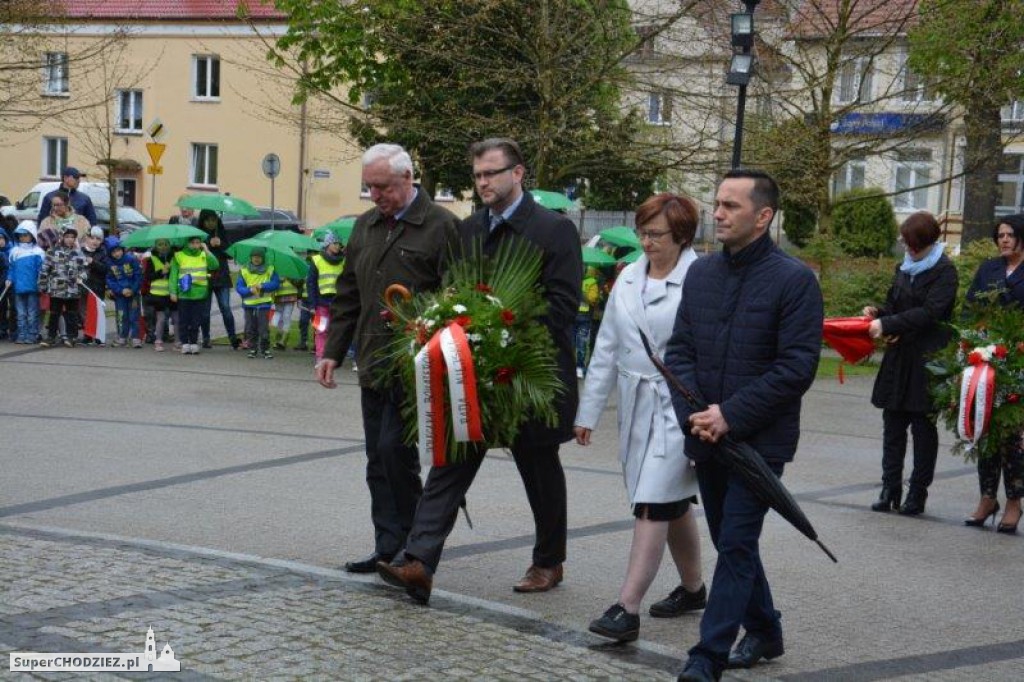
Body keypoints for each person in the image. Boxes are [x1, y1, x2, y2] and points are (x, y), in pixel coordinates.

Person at [374, 137, 581, 604]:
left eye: (491, 173)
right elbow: (454, 295)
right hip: (471, 377)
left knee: (539, 467)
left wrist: (501, 336)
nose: (483, 182)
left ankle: (549, 561)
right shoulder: (467, 231)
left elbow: (564, 306)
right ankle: (419, 562)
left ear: (518, 173)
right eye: (478, 176)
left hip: (531, 375)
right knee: (451, 462)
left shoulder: (554, 230)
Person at [665, 169, 823, 682]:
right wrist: (696, 414)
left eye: (730, 206)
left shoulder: (795, 280)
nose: (717, 213)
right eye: (717, 203)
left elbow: (796, 368)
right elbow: (680, 351)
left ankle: (708, 655)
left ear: (763, 216)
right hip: (706, 434)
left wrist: (730, 414)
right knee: (730, 539)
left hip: (759, 440)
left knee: (735, 540)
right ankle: (766, 629)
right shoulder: (702, 274)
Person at [315, 143, 461, 574]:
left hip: (416, 365)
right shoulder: (364, 226)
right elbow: (347, 296)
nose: (375, 195)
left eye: (382, 187)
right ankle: (387, 547)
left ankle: (413, 551)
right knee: (377, 459)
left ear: (408, 178)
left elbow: (457, 297)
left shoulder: (441, 227)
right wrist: (331, 352)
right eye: (369, 187)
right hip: (374, 361)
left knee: (395, 452)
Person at [574, 193, 705, 643]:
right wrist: (588, 411)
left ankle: (625, 609)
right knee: (671, 501)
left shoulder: (702, 278)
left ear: (682, 236)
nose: (645, 242)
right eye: (642, 232)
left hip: (680, 406)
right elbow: (606, 346)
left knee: (652, 500)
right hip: (636, 403)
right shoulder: (629, 276)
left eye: (655, 234)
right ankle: (694, 588)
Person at [864, 212, 957, 517]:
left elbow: (930, 313)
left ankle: (917, 493)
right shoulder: (904, 267)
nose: (909, 250)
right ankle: (889, 487)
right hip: (899, 359)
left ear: (928, 242)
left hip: (927, 361)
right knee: (892, 428)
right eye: (906, 244)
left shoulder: (945, 272)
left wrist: (889, 322)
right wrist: (877, 313)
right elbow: (895, 307)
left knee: (922, 430)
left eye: (914, 245)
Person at [960, 214, 1024, 533]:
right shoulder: (988, 269)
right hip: (986, 359)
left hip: (1019, 363)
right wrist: (969, 340)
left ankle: (1014, 501)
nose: (1004, 240)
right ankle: (987, 498)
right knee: (984, 429)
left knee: (1013, 437)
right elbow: (969, 308)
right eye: (1000, 235)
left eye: (1010, 234)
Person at [197, 209, 240, 350]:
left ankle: (233, 337)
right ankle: (206, 337)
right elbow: (195, 252)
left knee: (226, 307)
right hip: (205, 276)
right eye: (208, 220)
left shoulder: (222, 233)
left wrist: (220, 244)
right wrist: (208, 244)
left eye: (213, 220)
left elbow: (230, 254)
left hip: (221, 276)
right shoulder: (199, 235)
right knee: (204, 310)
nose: (211, 223)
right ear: (203, 221)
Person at [38, 226, 88, 347]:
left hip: (73, 290)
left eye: (72, 237)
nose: (70, 239)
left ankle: (72, 337)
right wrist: (43, 285)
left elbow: (84, 271)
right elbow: (45, 270)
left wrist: (81, 277)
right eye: (67, 237)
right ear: (61, 237)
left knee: (72, 314)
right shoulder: (52, 252)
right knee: (54, 313)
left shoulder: (78, 253)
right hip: (56, 290)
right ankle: (51, 336)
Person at [170, 235, 218, 355]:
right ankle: (185, 343)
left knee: (196, 320)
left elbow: (215, 265)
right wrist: (173, 292)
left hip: (200, 294)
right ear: (187, 243)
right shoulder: (179, 256)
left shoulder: (203, 254)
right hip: (184, 294)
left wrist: (207, 251)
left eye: (198, 243)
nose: (196, 245)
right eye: (193, 243)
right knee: (184, 320)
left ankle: (194, 342)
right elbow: (173, 275)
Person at [236, 247, 281, 359]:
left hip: (264, 304)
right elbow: (239, 287)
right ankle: (253, 348)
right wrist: (249, 290)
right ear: (251, 257)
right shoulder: (244, 270)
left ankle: (265, 349)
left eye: (259, 257)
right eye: (254, 256)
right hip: (249, 305)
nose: (256, 259)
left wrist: (263, 286)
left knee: (263, 328)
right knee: (251, 328)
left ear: (263, 258)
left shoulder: (270, 269)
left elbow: (276, 284)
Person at [307, 233, 345, 363]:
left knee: (337, 332)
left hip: (339, 303)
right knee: (321, 330)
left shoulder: (344, 261)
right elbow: (311, 283)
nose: (338, 246)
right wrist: (312, 305)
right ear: (327, 244)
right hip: (321, 303)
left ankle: (332, 357)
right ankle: (320, 358)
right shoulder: (316, 260)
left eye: (339, 244)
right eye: (335, 243)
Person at [5, 221, 45, 345]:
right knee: (21, 313)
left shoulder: (38, 252)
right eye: (20, 235)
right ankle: (22, 334)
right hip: (18, 288)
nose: (22, 238)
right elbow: (11, 268)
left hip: (33, 288)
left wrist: (41, 283)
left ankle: (32, 335)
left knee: (32, 313)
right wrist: (9, 278)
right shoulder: (14, 251)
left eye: (25, 235)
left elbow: (41, 270)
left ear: (32, 235)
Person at [105, 237, 144, 348]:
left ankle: (136, 338)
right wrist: (120, 290)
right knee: (122, 316)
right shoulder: (110, 264)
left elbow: (138, 276)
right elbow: (110, 280)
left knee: (133, 316)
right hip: (120, 295)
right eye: (113, 252)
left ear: (122, 249)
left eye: (118, 250)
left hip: (133, 294)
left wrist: (133, 289)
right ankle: (122, 337)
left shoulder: (131, 259)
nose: (116, 253)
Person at [143, 238, 179, 352]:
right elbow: (148, 276)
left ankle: (178, 342)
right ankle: (158, 341)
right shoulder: (151, 259)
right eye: (160, 244)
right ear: (156, 246)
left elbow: (177, 274)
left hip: (172, 292)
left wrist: (169, 271)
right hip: (158, 294)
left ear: (169, 245)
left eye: (166, 244)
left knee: (176, 318)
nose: (163, 247)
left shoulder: (174, 258)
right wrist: (161, 272)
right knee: (161, 318)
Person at [78, 226, 110, 346]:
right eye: (92, 238)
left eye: (98, 239)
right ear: (87, 238)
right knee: (83, 311)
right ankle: (88, 334)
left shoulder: (103, 253)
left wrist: (93, 262)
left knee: (98, 311)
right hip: (83, 286)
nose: (95, 241)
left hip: (97, 287)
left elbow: (105, 269)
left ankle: (98, 335)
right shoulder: (80, 251)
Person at [270, 272, 302, 351]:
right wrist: (277, 281)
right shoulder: (274, 269)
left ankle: (283, 340)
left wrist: (289, 277)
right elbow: (269, 281)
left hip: (290, 296)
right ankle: (278, 340)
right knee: (279, 318)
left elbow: (299, 282)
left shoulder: (291, 270)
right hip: (278, 295)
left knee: (286, 316)